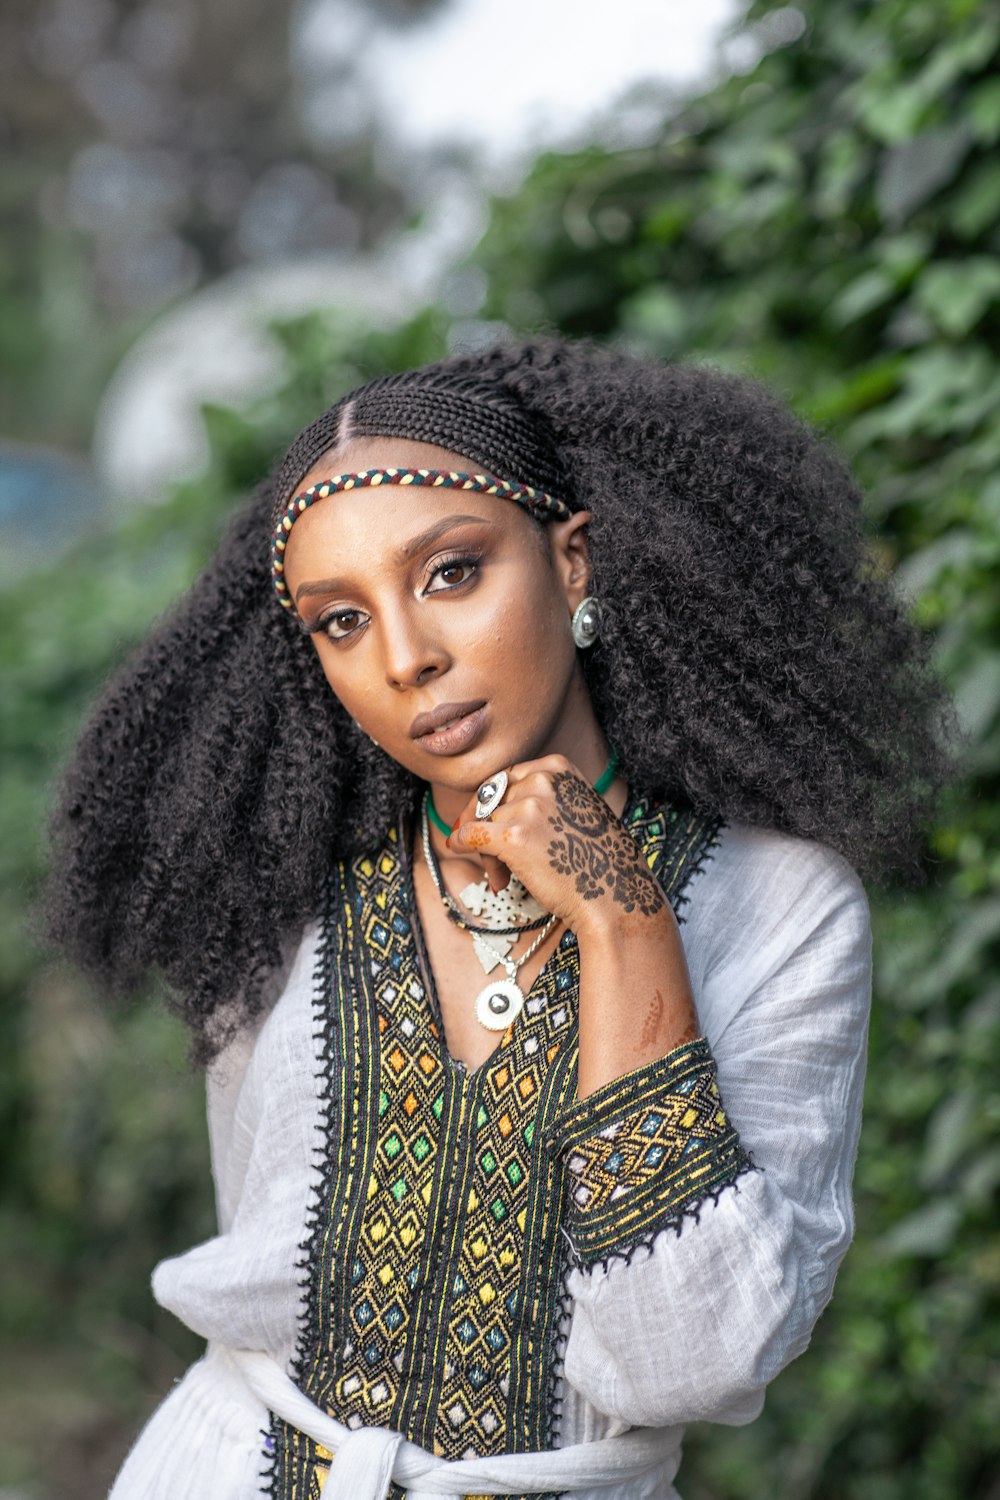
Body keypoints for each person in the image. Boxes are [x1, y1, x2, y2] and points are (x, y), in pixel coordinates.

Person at [46, 337, 951, 1499]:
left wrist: (623, 918)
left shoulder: (777, 904)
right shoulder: (278, 890)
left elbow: (686, 1360)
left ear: (573, 563)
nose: (408, 658)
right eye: (340, 622)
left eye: (451, 573)